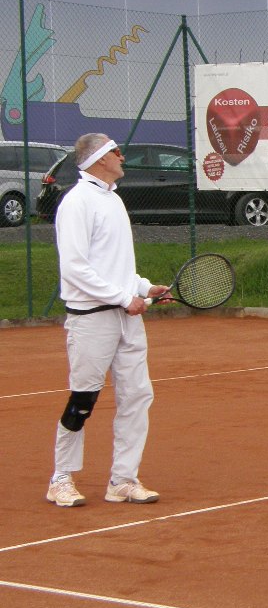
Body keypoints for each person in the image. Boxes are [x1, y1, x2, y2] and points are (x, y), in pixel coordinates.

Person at [46, 133, 169, 508]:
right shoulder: (77, 202)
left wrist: (144, 288)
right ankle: (60, 479)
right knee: (84, 399)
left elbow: (116, 265)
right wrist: (123, 298)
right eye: (116, 151)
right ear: (100, 158)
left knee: (137, 396)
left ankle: (123, 480)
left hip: (126, 320)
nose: (122, 156)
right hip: (91, 320)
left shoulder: (114, 200)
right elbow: (75, 268)